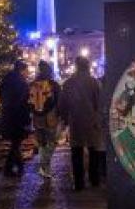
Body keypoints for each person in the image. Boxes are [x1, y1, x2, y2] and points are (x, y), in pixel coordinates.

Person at [59, 56, 103, 191]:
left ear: (76, 66)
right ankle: (94, 179)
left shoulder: (68, 83)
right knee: (93, 150)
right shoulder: (94, 82)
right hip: (91, 120)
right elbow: (99, 102)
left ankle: (79, 183)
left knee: (76, 151)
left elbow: (63, 104)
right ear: (88, 66)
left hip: (75, 120)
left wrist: (65, 120)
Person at [0, 60, 31, 177]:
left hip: (7, 115)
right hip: (18, 117)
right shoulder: (22, 83)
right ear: (22, 70)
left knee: (15, 143)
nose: (28, 73)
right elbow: (25, 102)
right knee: (16, 143)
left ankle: (16, 167)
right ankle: (11, 168)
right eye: (26, 70)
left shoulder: (6, 80)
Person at [28, 60, 61, 179]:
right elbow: (59, 101)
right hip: (51, 117)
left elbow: (29, 102)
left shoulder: (32, 84)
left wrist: (34, 112)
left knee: (42, 143)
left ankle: (45, 168)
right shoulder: (54, 85)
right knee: (52, 142)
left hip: (37, 117)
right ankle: (44, 166)